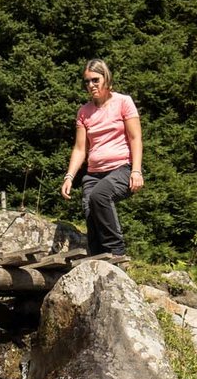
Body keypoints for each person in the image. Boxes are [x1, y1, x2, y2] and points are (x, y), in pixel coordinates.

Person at [59, 59, 143, 255]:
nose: (91, 85)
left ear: (106, 78)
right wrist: (69, 177)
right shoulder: (84, 112)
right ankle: (98, 257)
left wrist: (137, 171)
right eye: (87, 81)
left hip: (122, 168)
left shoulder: (123, 102)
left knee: (100, 196)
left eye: (95, 80)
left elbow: (135, 138)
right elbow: (80, 149)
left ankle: (117, 253)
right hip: (94, 173)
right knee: (90, 208)